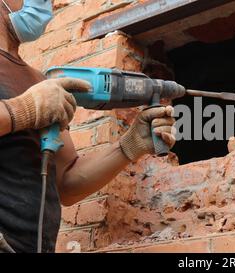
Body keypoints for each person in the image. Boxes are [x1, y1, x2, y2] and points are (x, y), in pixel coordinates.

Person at [0, 0, 176, 253]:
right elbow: (24, 109)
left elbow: (67, 184)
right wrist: (23, 110)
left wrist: (130, 144)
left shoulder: (37, 79)